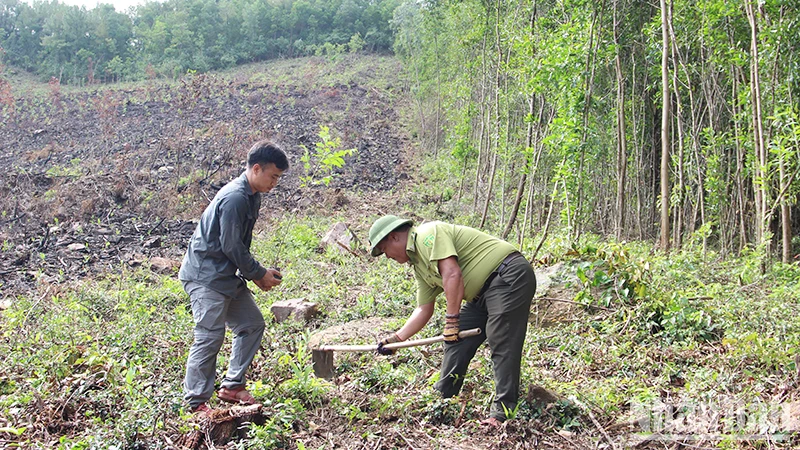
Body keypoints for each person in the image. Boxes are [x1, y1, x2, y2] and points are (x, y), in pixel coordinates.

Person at [368, 215, 536, 427]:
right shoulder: (419, 264)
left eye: (384, 250)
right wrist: (396, 339)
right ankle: (442, 399)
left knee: (501, 338)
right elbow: (423, 309)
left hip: (508, 275)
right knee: (455, 340)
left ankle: (502, 414)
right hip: (481, 294)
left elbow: (453, 275)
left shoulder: (428, 235)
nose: (387, 256)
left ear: (393, 237)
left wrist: (452, 320)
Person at [178, 140, 288, 415]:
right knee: (209, 336)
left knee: (251, 324)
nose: (275, 182)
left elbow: (237, 246)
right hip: (205, 275)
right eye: (273, 176)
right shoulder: (236, 197)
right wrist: (258, 274)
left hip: (226, 274)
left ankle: (232, 387)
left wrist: (256, 273)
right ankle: (196, 402)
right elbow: (231, 246)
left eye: (279, 178)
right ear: (256, 168)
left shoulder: (253, 195)